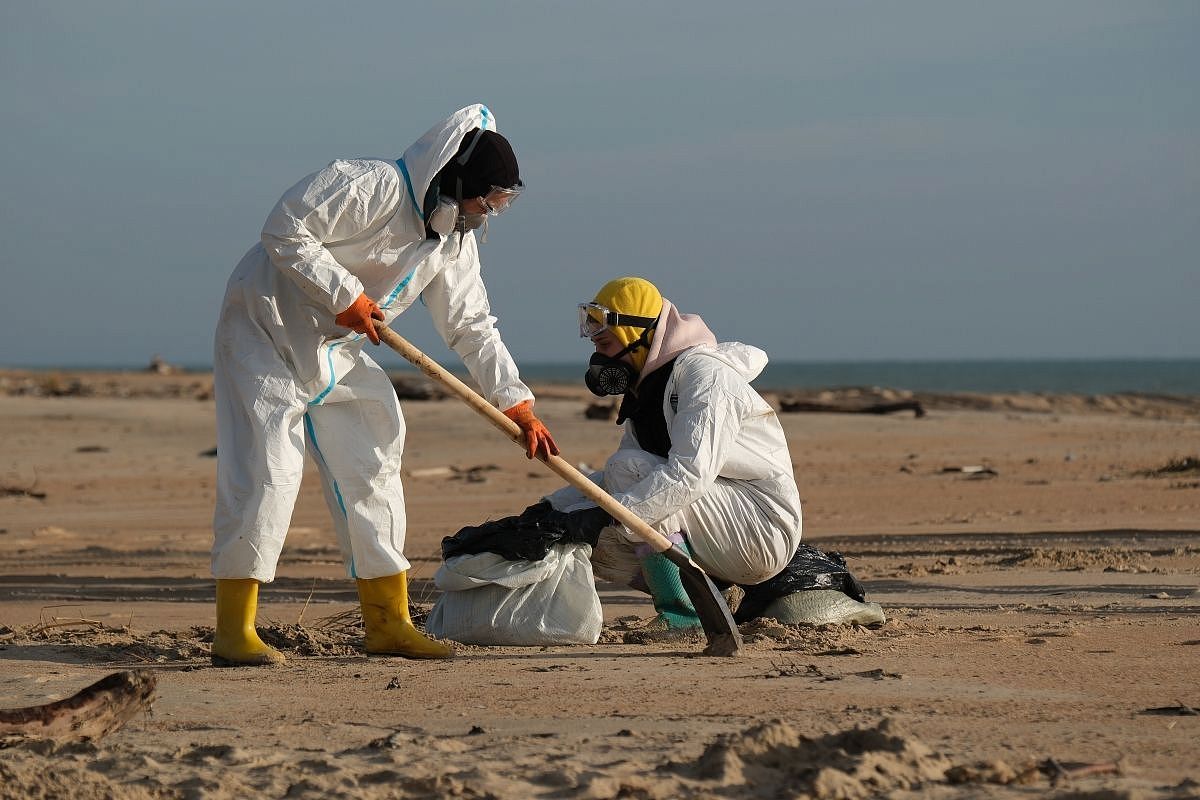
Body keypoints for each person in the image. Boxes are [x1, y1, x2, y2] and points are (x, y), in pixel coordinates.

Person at [210, 104, 559, 666]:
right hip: (265, 329)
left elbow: (471, 325)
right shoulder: (370, 186)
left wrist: (516, 401)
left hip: (336, 349)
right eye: (489, 197)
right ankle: (234, 631)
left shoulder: (452, 242)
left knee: (373, 455)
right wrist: (343, 293)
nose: (490, 211)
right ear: (457, 177)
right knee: (269, 469)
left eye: (502, 202)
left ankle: (388, 623)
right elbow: (284, 227)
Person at [542, 277, 804, 628]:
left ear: (640, 336)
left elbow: (689, 474)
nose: (598, 356)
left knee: (626, 486)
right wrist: (550, 510)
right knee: (588, 543)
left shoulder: (704, 377)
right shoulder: (648, 390)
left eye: (604, 344)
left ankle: (681, 619)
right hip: (719, 520)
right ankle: (710, 592)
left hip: (761, 526)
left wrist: (610, 517)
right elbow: (612, 480)